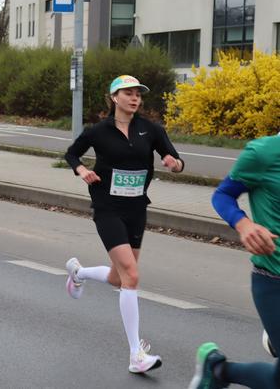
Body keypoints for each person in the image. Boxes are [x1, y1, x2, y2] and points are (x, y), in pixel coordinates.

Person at [63, 75, 185, 373]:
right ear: (114, 97)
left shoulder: (151, 130)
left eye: (138, 95)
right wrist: (81, 169)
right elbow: (71, 153)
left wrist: (174, 163)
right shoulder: (99, 131)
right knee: (131, 275)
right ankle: (135, 355)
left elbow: (177, 161)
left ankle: (78, 273)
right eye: (128, 94)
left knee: (120, 278)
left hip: (136, 208)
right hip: (107, 207)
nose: (134, 99)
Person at [188, 134, 279, 389]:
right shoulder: (264, 153)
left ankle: (218, 370)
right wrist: (244, 224)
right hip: (274, 280)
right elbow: (223, 195)